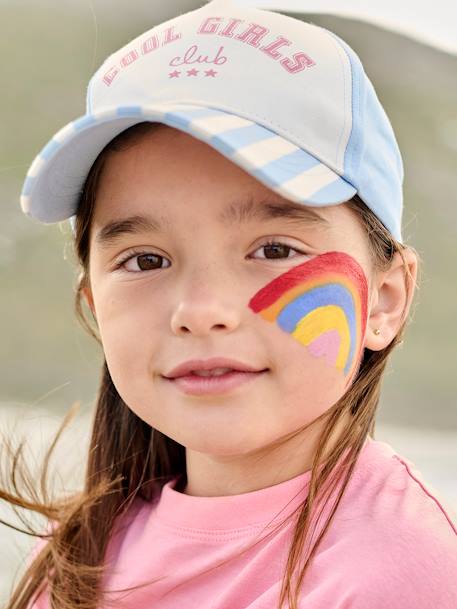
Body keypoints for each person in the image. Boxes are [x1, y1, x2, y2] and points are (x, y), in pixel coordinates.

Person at [4, 0, 456, 608]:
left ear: (384, 298)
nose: (201, 309)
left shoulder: (406, 575)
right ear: (94, 307)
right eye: (145, 260)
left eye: (273, 248)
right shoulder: (74, 558)